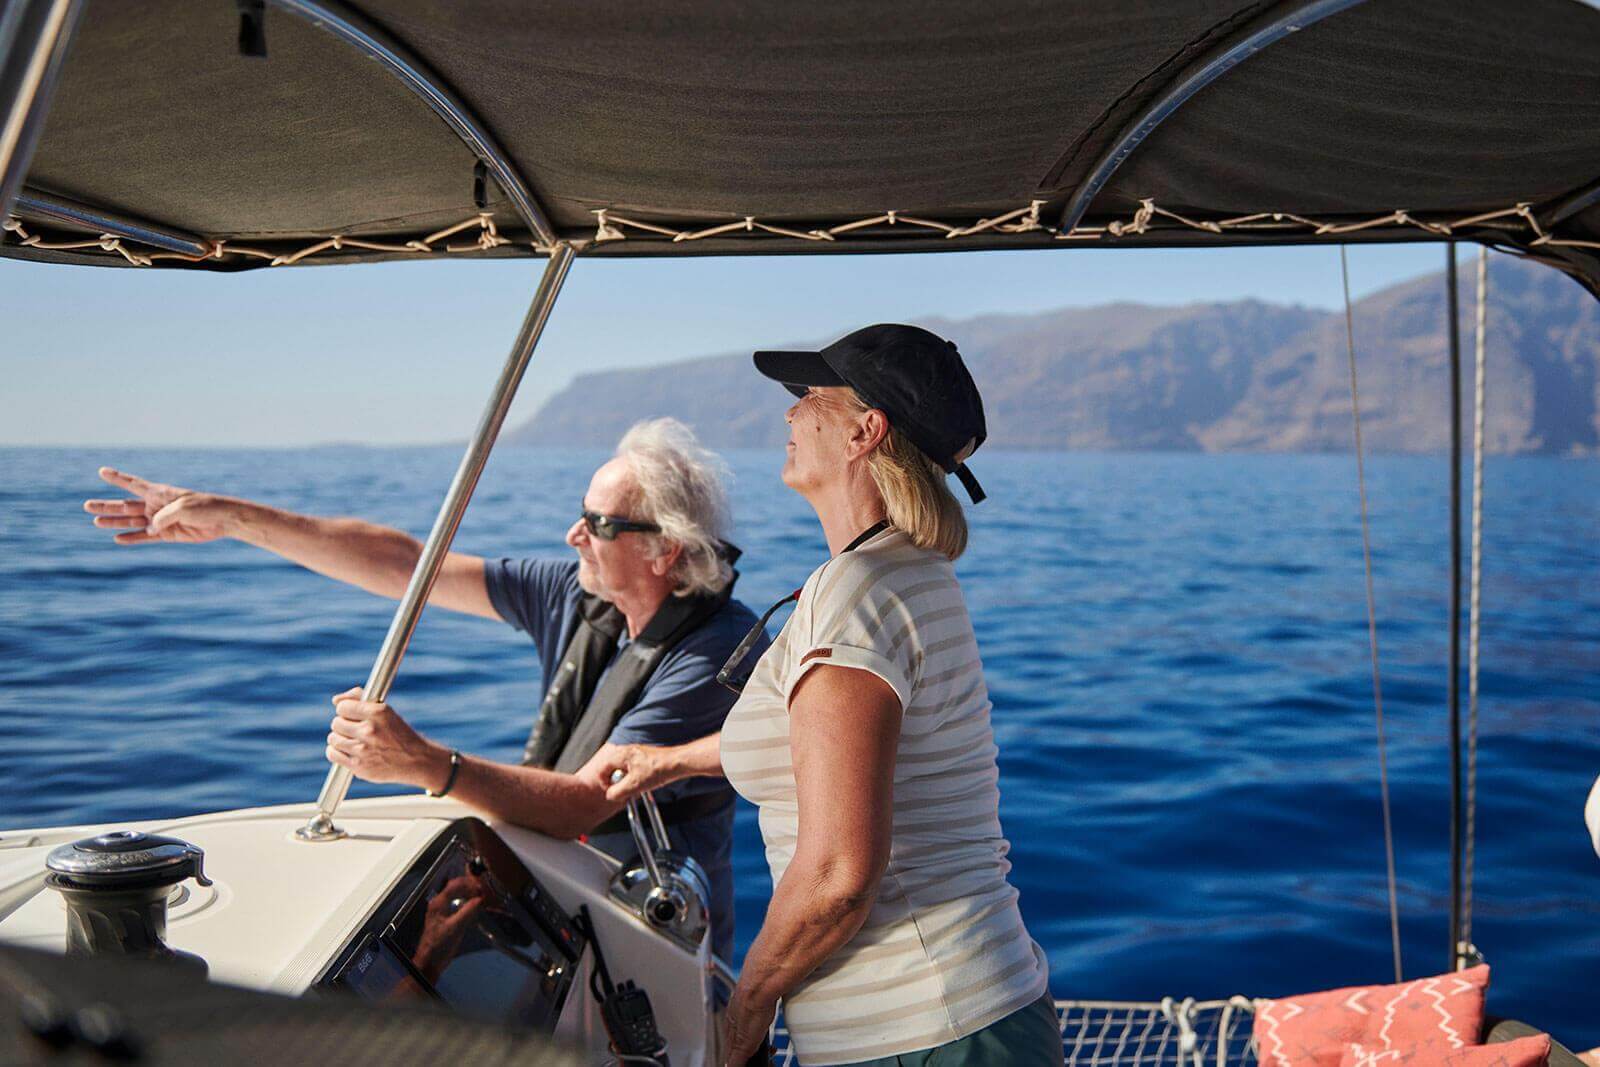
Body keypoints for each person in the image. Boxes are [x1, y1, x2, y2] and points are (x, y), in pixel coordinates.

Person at [82, 417, 760, 961]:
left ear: (665, 550)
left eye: (601, 524)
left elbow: (582, 804)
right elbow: (410, 564)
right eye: (582, 514)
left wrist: (424, 764)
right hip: (556, 901)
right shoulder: (579, 596)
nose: (574, 534)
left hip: (651, 946)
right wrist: (232, 518)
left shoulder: (712, 655)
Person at [595, 326, 1059, 1067]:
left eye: (810, 396)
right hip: (973, 1012)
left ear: (864, 432)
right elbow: (825, 739)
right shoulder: (904, 573)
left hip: (921, 1031)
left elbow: (839, 874)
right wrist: (668, 761)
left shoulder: (856, 595)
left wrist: (745, 1012)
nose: (789, 415)